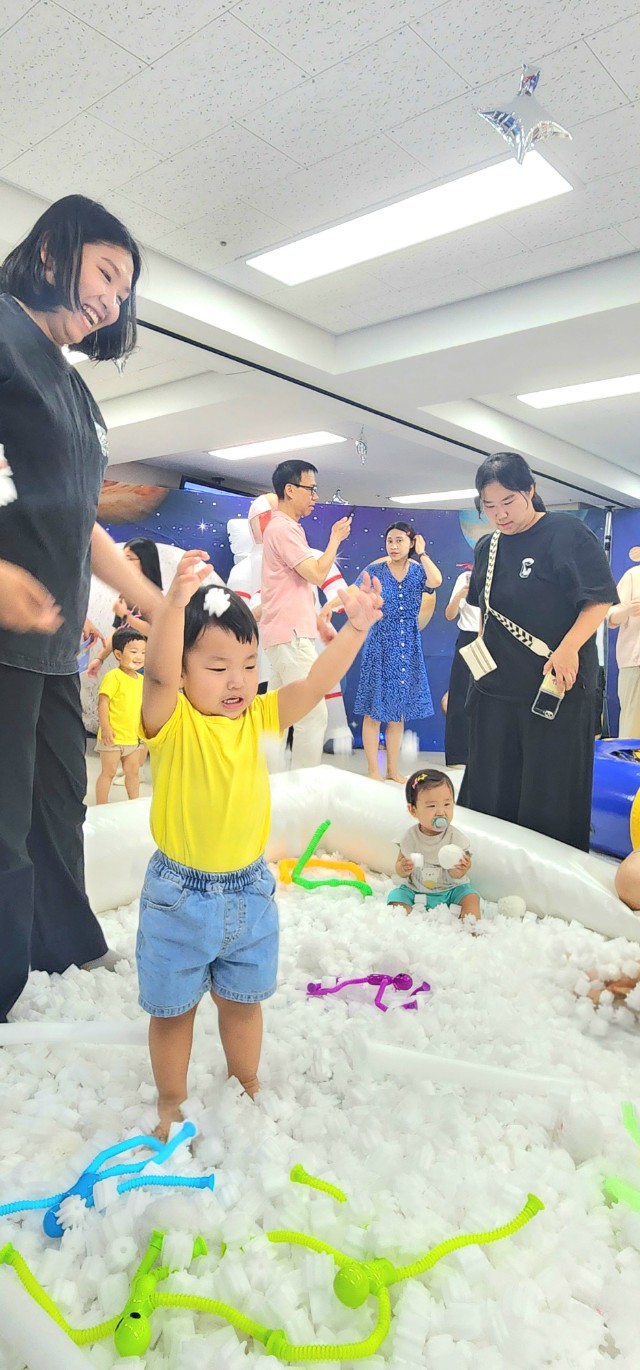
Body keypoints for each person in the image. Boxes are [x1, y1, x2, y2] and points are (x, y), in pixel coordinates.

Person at [136, 550, 382, 1138]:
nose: (238, 681)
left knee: (244, 1001)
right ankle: (171, 1099)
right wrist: (173, 607)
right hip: (178, 897)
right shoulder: (173, 722)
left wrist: (355, 629)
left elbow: (315, 684)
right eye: (218, 667)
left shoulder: (259, 717)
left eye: (249, 665)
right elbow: (158, 676)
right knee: (173, 1012)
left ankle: (246, 1079)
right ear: (185, 671)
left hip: (249, 892)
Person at [0, 194, 164, 1022]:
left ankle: (61, 945)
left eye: (123, 291)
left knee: (60, 803)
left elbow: (77, 518)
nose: (112, 299)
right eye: (106, 273)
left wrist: (150, 599)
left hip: (54, 640)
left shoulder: (73, 390)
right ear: (50, 252)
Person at [459, 452, 617, 852]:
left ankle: (549, 875)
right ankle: (490, 863)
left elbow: (598, 600)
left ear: (530, 490)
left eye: (508, 501)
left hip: (554, 688)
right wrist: (477, 672)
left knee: (549, 792)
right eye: (489, 506)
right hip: (496, 689)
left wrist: (568, 649)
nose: (500, 514)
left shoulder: (567, 534)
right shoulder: (487, 547)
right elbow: (486, 614)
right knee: (492, 785)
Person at [324, 522, 441, 782]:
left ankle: (392, 770)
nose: (393, 546)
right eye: (390, 541)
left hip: (407, 645)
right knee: (374, 711)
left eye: (399, 540)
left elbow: (436, 580)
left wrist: (422, 552)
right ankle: (373, 769)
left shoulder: (418, 571)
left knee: (398, 714)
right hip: (380, 644)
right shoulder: (375, 570)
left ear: (411, 542)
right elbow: (352, 591)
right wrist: (329, 607)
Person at [259, 460, 353, 769]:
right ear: (290, 490)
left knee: (276, 715)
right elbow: (315, 573)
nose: (315, 496)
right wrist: (335, 539)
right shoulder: (284, 529)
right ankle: (304, 785)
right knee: (312, 714)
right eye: (310, 489)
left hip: (283, 634)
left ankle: (268, 782)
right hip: (291, 635)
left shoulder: (283, 528)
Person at [388, 768, 480, 921]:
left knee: (471, 897)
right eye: (432, 806)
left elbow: (457, 875)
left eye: (447, 804)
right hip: (415, 890)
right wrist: (403, 868)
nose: (441, 812)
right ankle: (403, 924)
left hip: (451, 890)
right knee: (396, 896)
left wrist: (460, 869)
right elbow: (399, 869)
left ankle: (471, 927)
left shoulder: (456, 838)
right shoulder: (410, 837)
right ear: (413, 810)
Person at [86, 537, 163, 677]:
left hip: (149, 667)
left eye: (129, 558)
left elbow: (155, 632)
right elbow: (118, 630)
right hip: (128, 665)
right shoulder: (126, 595)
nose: (122, 563)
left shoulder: (154, 596)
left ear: (144, 561)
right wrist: (100, 658)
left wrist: (126, 616)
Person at [95, 627, 146, 804]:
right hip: (113, 737)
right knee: (108, 772)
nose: (139, 657)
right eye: (134, 652)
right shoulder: (113, 677)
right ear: (118, 654)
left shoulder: (142, 680)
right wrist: (106, 727)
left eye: (143, 652)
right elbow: (103, 703)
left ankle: (134, 804)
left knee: (133, 772)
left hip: (133, 738)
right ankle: (101, 805)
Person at [444, 568, 481, 767]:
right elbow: (449, 615)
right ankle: (458, 754)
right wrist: (460, 594)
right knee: (460, 695)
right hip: (469, 638)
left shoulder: (504, 573)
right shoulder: (465, 577)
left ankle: (489, 753)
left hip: (495, 639)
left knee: (493, 698)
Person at [608, 559, 640, 738]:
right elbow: (611, 617)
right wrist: (627, 609)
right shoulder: (634, 576)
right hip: (636, 665)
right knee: (633, 732)